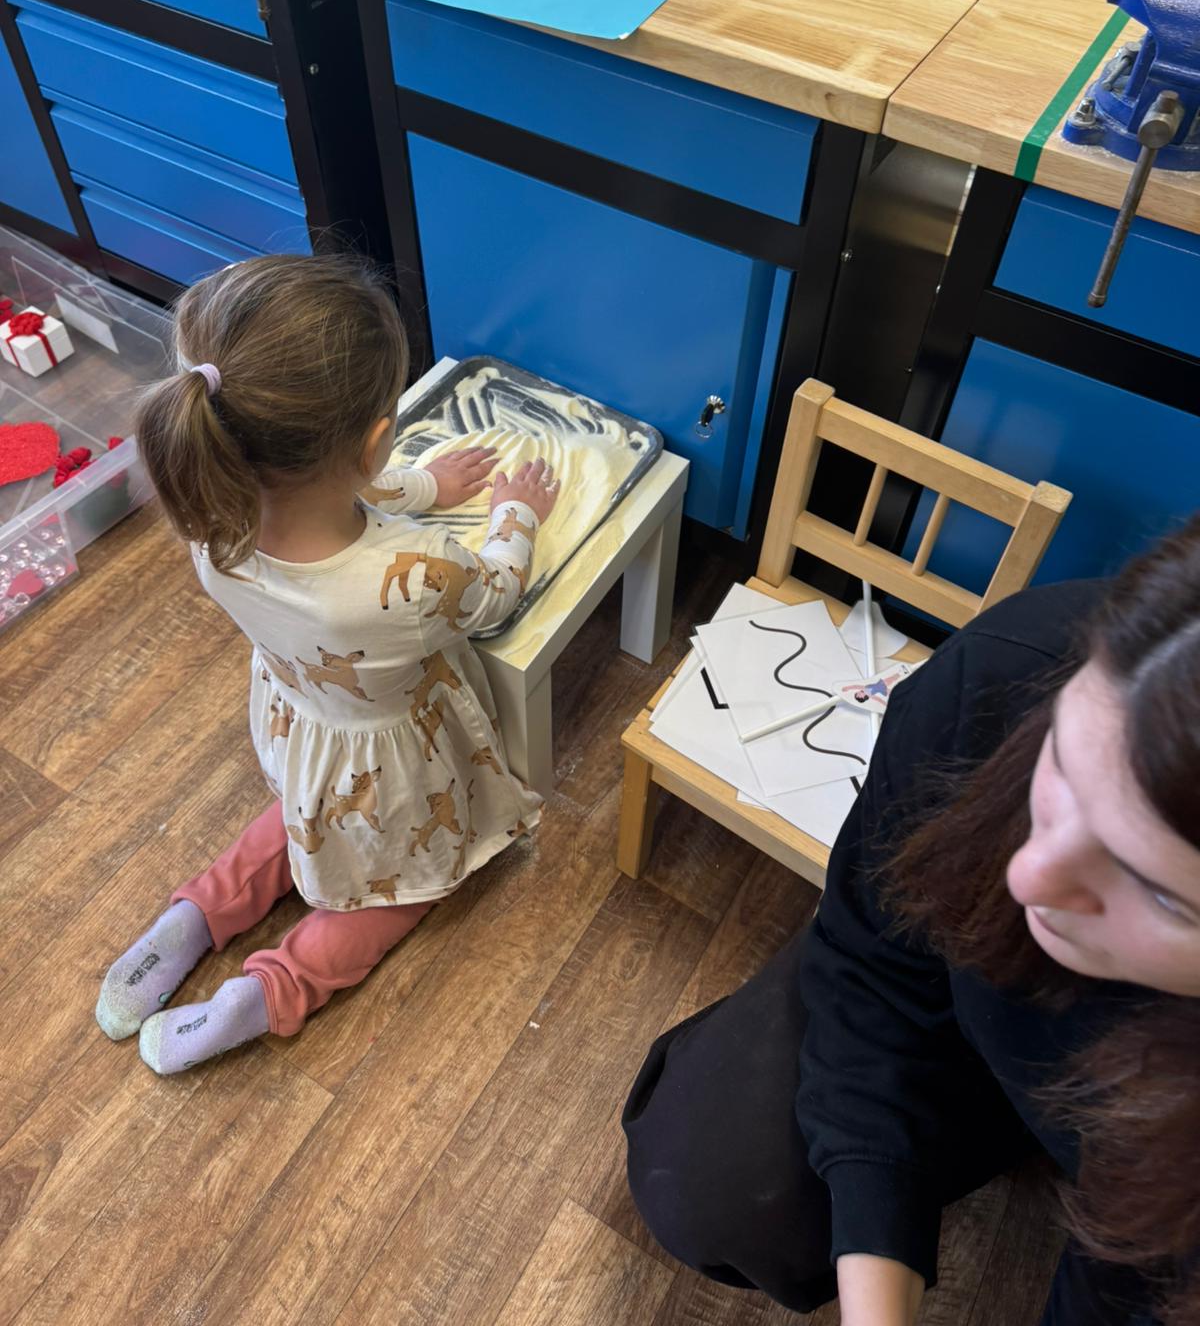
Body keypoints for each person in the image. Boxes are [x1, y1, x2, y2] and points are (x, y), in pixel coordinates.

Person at [625, 520, 1200, 1326]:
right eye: (1063, 764)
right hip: (981, 1034)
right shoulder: (1008, 670)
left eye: (1161, 893)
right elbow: (876, 962)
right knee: (713, 1182)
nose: (1028, 876)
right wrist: (878, 1278)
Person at [96, 253, 558, 1075]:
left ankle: (192, 920)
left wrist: (419, 486)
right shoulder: (413, 580)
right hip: (392, 765)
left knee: (302, 821)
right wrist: (515, 513)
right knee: (406, 883)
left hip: (301, 732)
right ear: (376, 442)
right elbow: (495, 593)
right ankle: (272, 990)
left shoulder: (213, 526)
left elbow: (330, 496)